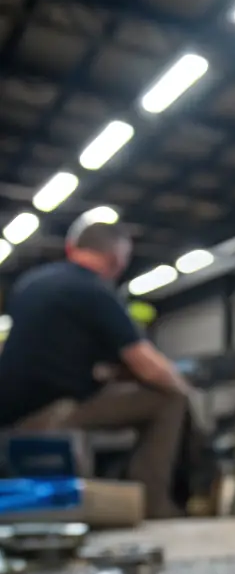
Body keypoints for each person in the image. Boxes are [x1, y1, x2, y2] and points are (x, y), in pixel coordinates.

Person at [0, 214, 190, 518]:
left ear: (71, 246)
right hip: (53, 413)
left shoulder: (30, 284)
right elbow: (150, 367)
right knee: (170, 398)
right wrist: (184, 386)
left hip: (11, 416)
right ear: (116, 258)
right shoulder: (95, 291)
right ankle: (151, 506)